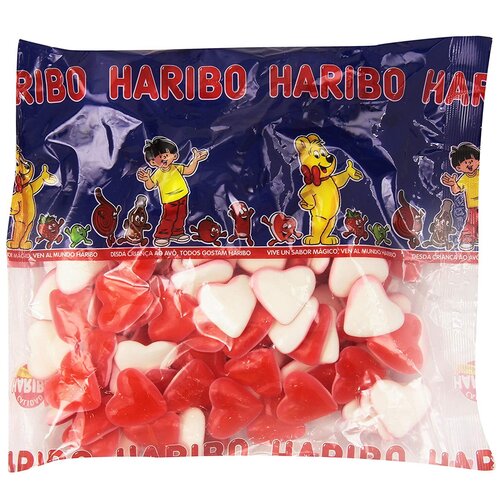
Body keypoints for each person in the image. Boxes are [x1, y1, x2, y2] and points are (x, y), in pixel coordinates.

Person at [137, 136, 209, 247]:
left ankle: (177, 233)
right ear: (152, 162)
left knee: (182, 215)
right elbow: (150, 186)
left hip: (183, 196)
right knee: (169, 218)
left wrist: (195, 160)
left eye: (166, 155)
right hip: (169, 200)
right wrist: (147, 179)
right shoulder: (158, 174)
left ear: (174, 156)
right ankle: (162, 235)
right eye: (160, 157)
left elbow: (189, 170)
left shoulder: (176, 168)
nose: (164, 159)